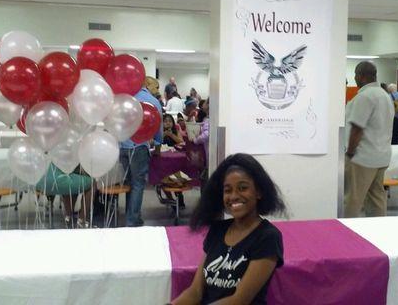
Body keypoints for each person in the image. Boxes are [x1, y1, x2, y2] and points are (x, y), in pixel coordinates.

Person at [172, 153, 285, 305]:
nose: (234, 196)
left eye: (243, 188)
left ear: (259, 192)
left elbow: (239, 300)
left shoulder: (267, 237)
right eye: (227, 190)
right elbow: (195, 292)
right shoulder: (217, 230)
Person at [345, 61, 394, 217]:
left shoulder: (365, 96)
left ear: (361, 76)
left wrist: (350, 154)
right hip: (382, 156)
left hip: (363, 158)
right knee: (376, 198)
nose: (355, 79)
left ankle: (346, 232)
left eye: (355, 75)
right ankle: (377, 231)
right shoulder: (384, 95)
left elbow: (357, 128)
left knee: (353, 198)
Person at [120, 80, 163, 227]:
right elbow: (158, 125)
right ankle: (132, 219)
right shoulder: (152, 101)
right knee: (138, 184)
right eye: (156, 87)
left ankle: (129, 214)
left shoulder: (125, 97)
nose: (157, 89)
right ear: (148, 85)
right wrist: (158, 144)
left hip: (122, 145)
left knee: (129, 183)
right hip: (139, 146)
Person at [35, 164, 94, 228]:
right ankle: (81, 219)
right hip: (58, 181)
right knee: (91, 183)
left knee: (72, 177)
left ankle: (68, 216)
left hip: (39, 183)